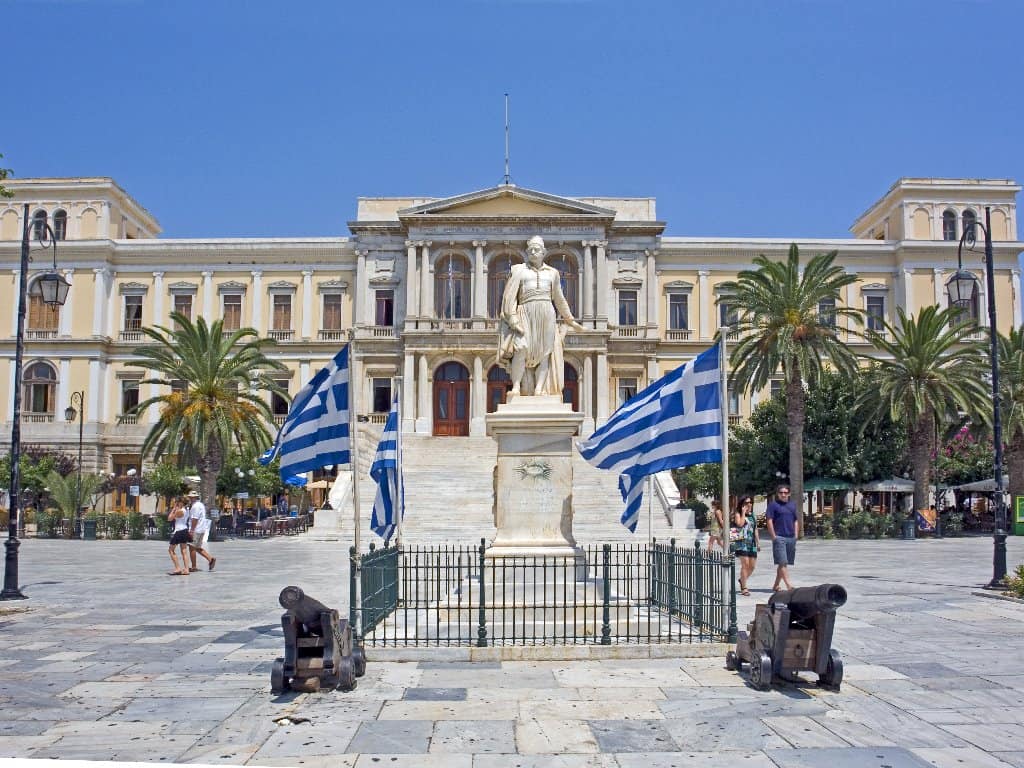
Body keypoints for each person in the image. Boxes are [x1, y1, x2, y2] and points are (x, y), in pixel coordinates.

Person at [497, 235, 585, 397]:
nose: (533, 252)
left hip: (546, 314)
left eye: (536, 249)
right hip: (525, 312)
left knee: (545, 352)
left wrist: (571, 321)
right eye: (530, 250)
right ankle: (516, 387)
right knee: (521, 348)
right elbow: (509, 297)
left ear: (543, 252)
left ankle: (539, 388)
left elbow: (559, 299)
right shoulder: (519, 271)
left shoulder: (553, 273)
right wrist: (513, 319)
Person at [766, 484, 799, 592]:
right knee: (782, 562)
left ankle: (776, 585)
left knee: (784, 563)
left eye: (785, 492)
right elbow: (769, 520)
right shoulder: (773, 505)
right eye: (781, 492)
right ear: (778, 494)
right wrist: (773, 536)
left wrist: (796, 535)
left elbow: (795, 520)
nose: (783, 494)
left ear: (789, 493)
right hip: (779, 537)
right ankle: (789, 585)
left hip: (791, 537)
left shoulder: (792, 505)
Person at [731, 496, 759, 596]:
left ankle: (742, 580)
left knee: (752, 566)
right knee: (745, 564)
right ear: (742, 504)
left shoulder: (753, 515)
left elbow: (755, 529)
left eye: (750, 502)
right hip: (741, 543)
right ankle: (744, 587)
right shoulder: (738, 514)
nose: (749, 504)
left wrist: (758, 542)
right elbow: (740, 524)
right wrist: (743, 512)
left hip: (752, 543)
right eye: (746, 503)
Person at [187, 490, 216, 572]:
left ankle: (194, 566)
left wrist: (192, 530)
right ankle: (210, 559)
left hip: (196, 529)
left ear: (195, 497)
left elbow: (195, 519)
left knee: (191, 547)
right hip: (202, 529)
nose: (191, 498)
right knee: (197, 547)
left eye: (192, 497)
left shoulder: (195, 506)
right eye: (190, 497)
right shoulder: (200, 504)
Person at [167, 497, 191, 576]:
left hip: (179, 531)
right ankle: (186, 569)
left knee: (171, 550)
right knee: (184, 551)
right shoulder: (187, 510)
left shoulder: (180, 511)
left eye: (177, 502)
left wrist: (174, 509)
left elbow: (169, 518)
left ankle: (178, 568)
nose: (176, 503)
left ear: (181, 503)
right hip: (184, 530)